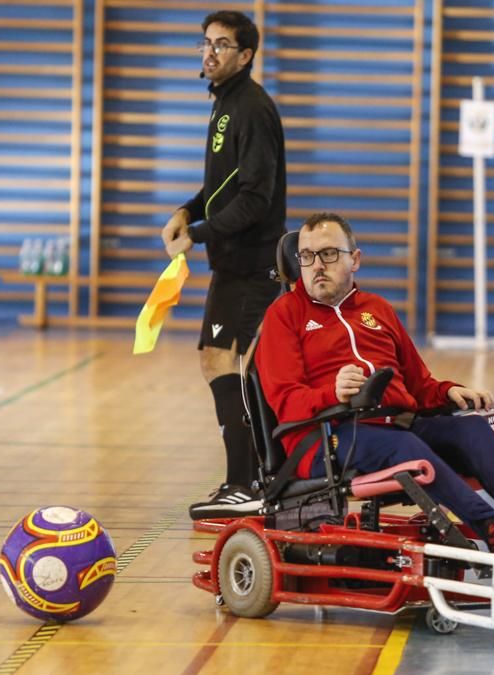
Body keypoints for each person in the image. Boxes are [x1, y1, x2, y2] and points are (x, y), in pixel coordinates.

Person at [255, 213, 494, 552]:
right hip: (327, 437)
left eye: (328, 254)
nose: (316, 266)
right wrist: (331, 393)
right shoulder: (284, 315)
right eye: (306, 256)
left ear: (354, 259)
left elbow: (418, 384)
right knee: (406, 450)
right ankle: (491, 527)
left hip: (395, 426)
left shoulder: (377, 309)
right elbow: (284, 399)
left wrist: (449, 392)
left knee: (471, 429)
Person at [161, 10, 286, 519]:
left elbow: (256, 199)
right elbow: (223, 189)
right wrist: (188, 210)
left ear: (246, 55)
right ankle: (260, 478)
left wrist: (198, 233)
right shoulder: (225, 106)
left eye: (222, 44)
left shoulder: (251, 109)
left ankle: (245, 484)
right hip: (233, 262)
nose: (209, 52)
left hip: (251, 263)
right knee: (233, 364)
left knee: (220, 359)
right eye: (205, 42)